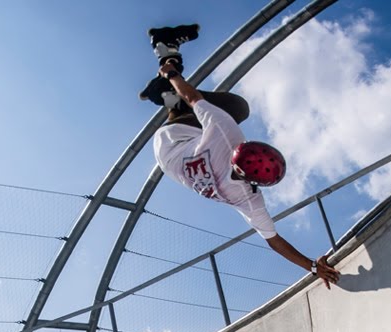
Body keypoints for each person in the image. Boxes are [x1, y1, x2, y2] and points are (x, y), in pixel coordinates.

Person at [140, 25, 340, 288]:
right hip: (169, 160)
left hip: (175, 138)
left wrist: (171, 72)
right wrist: (312, 267)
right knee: (182, 104)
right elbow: (274, 241)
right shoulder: (249, 199)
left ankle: (164, 61)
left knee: (237, 107)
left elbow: (192, 97)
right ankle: (164, 94)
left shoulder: (226, 133)